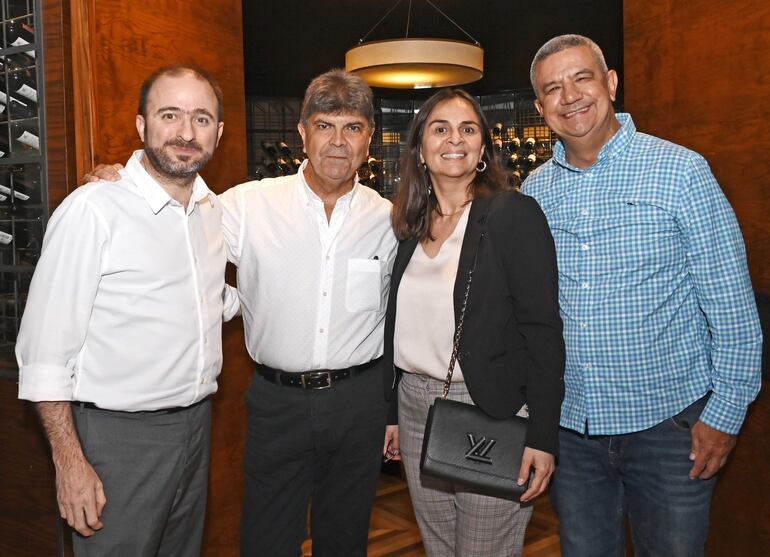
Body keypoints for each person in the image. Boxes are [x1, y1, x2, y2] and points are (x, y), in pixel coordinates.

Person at [84, 68, 398, 557]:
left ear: (369, 138)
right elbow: (171, 226)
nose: (338, 142)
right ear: (302, 133)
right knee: (266, 540)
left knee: (346, 540)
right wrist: (119, 184)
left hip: (358, 403)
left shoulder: (390, 219)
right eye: (324, 126)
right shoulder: (247, 205)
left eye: (352, 128)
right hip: (278, 403)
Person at [523, 34, 763, 557]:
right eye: (553, 89)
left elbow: (733, 310)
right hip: (573, 433)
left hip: (670, 430)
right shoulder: (534, 191)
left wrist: (724, 416)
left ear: (610, 84)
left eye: (582, 78)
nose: (570, 96)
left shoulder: (681, 171)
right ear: (541, 109)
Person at [16, 65, 239, 556]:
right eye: (170, 115)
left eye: (201, 119)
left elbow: (210, 300)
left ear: (219, 133)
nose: (186, 133)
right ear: (142, 125)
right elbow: (44, 352)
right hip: (116, 440)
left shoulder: (211, 212)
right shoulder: (94, 210)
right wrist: (69, 461)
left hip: (196, 430)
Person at [384, 88, 565, 556]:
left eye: (468, 129)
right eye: (440, 128)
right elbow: (397, 326)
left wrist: (542, 436)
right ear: (420, 148)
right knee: (439, 547)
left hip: (490, 409)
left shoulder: (511, 214)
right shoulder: (408, 225)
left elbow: (542, 331)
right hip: (415, 406)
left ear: (483, 147)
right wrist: (392, 416)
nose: (454, 139)